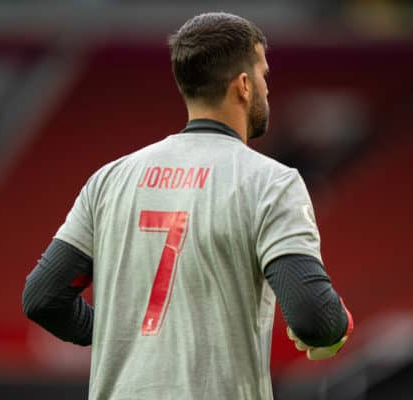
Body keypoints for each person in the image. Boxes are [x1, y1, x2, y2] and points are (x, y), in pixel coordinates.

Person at [22, 12, 353, 400]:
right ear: (244, 86)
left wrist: (120, 335)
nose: (267, 88)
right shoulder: (272, 183)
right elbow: (313, 317)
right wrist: (337, 325)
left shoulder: (110, 179)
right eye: (264, 75)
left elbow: (43, 297)